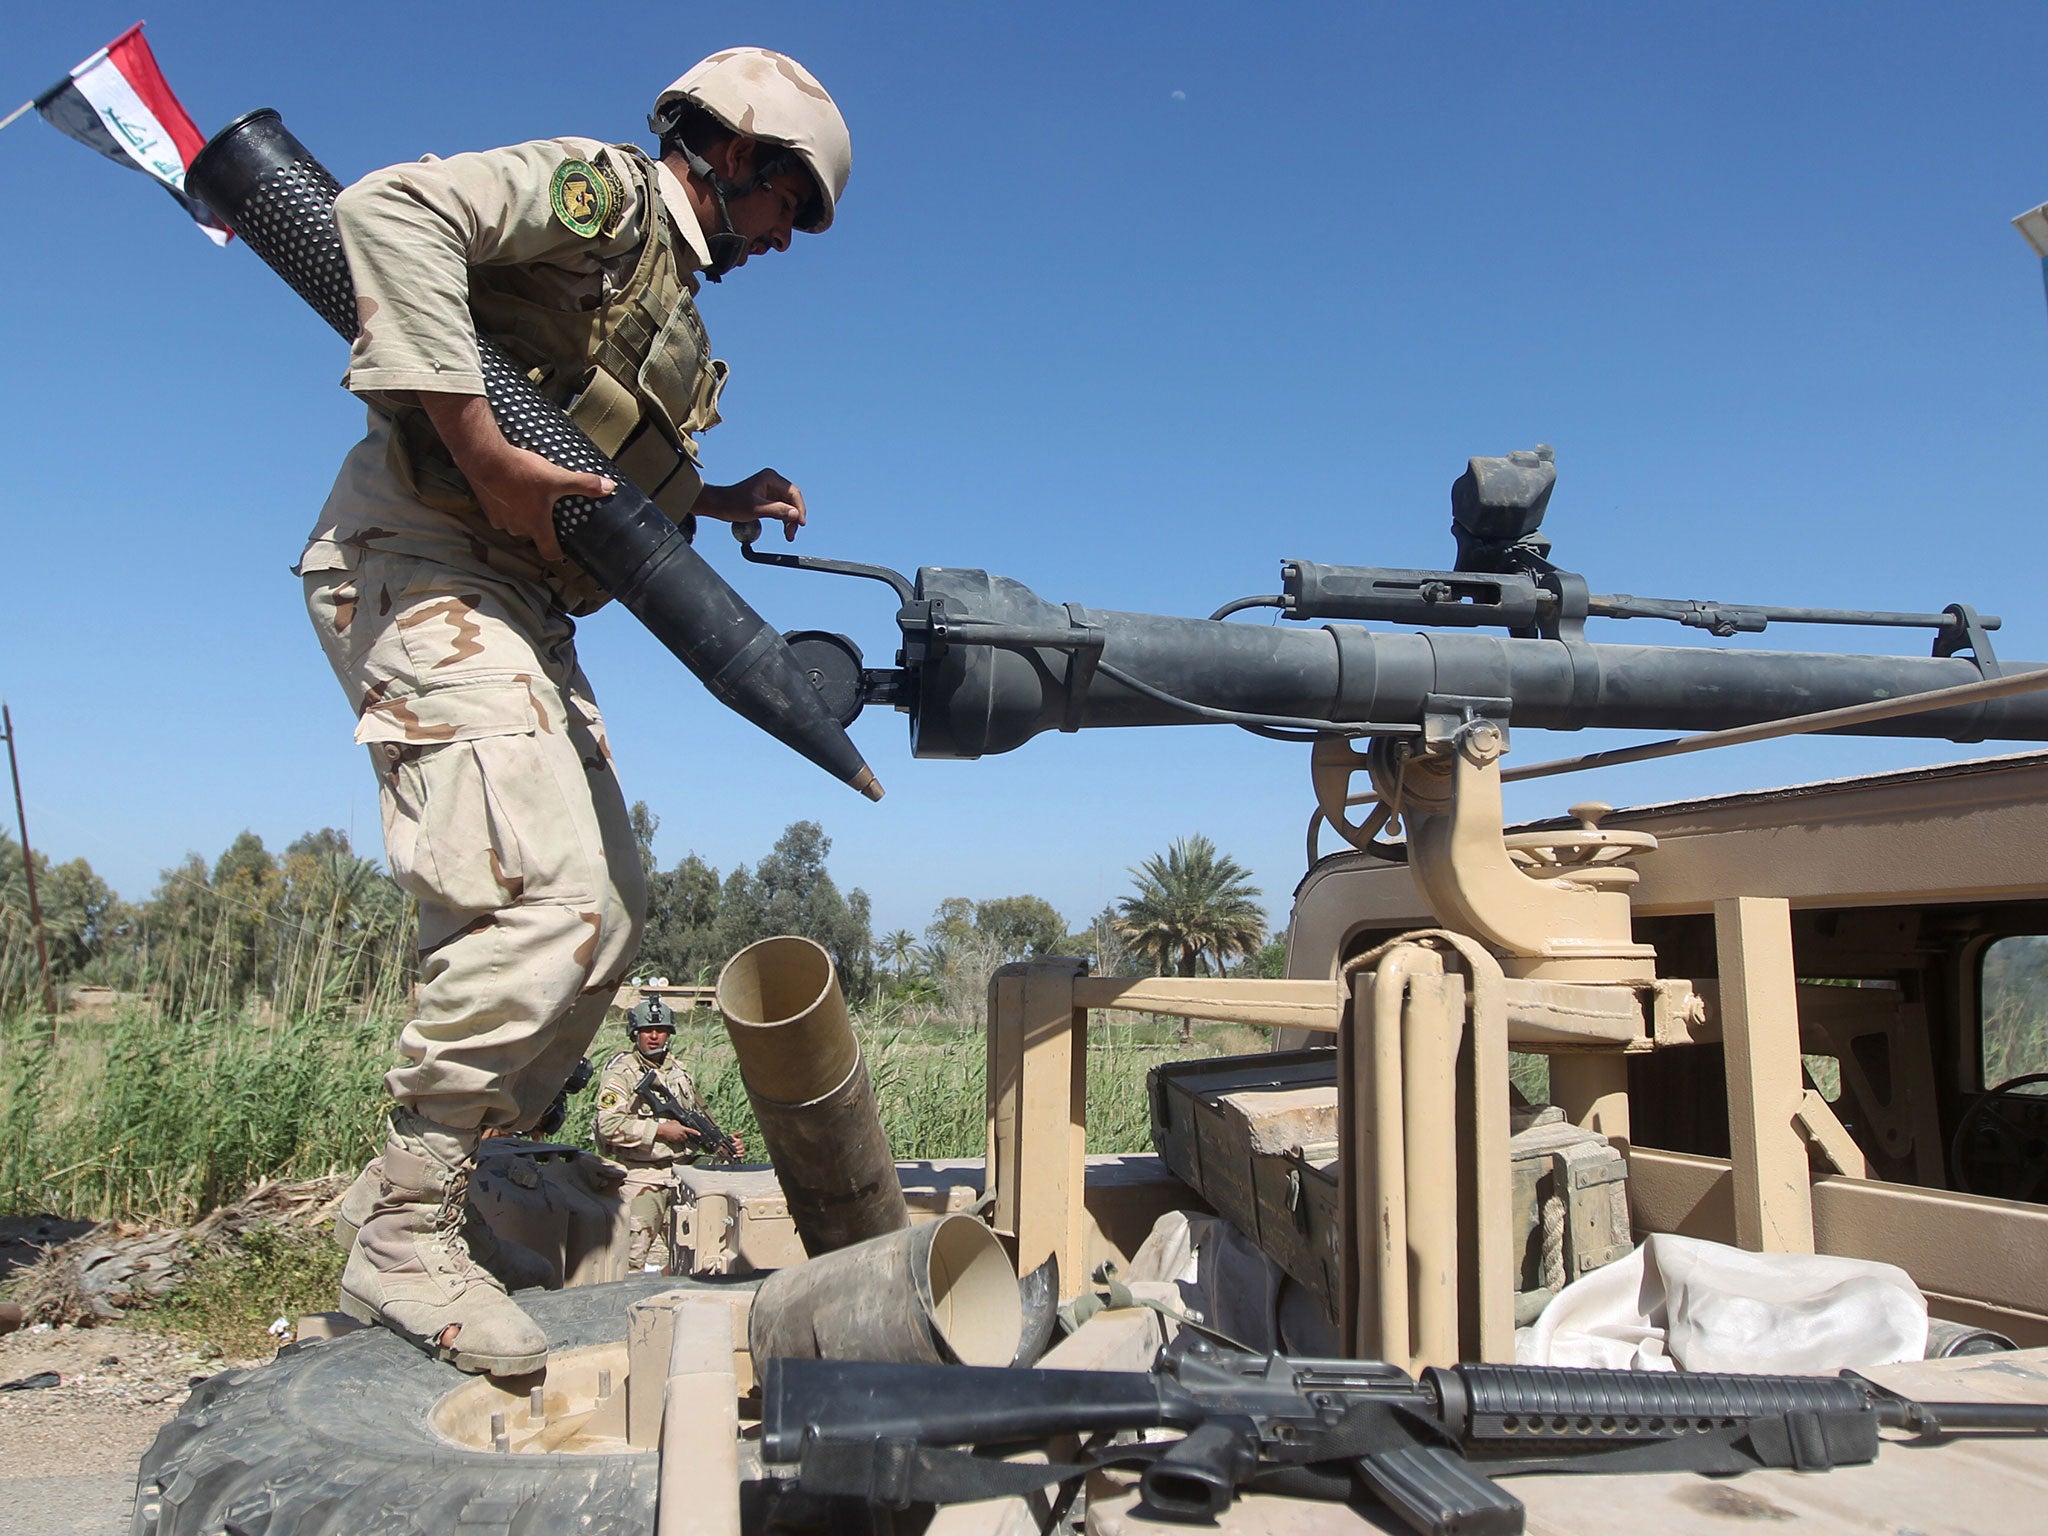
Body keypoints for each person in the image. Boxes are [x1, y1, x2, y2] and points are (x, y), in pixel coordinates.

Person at [300, 48, 851, 1375]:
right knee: (543, 901)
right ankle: (400, 1234)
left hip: (524, 608)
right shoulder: (600, 200)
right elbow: (384, 210)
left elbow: (594, 459)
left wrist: (713, 502)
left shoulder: (675, 320)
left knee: (605, 920)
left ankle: (445, 1204)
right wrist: (481, 449)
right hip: (422, 562)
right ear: (735, 156)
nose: (787, 237)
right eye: (790, 203)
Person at [594, 997, 741, 1271]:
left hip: (683, 1178)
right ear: (634, 1033)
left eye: (660, 1029)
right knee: (629, 1261)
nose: (653, 1035)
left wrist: (724, 1145)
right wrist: (660, 1129)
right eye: (647, 1030)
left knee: (694, 1259)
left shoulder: (679, 1071)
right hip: (641, 1177)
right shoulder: (621, 1073)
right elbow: (608, 1125)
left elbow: (698, 1115)